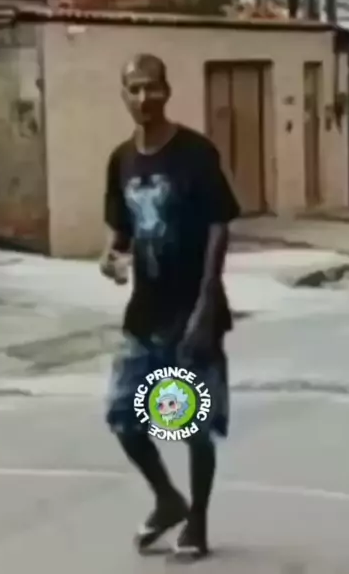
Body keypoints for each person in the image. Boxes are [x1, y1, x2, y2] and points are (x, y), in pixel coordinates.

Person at [101, 53, 240, 560]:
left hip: (192, 311)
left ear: (167, 90)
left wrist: (207, 304)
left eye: (152, 87)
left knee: (189, 424)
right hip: (145, 313)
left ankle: (197, 522)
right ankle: (167, 499)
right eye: (134, 89)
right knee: (124, 415)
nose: (144, 98)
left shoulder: (195, 153)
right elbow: (121, 230)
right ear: (124, 95)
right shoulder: (121, 159)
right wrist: (111, 257)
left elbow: (219, 225)